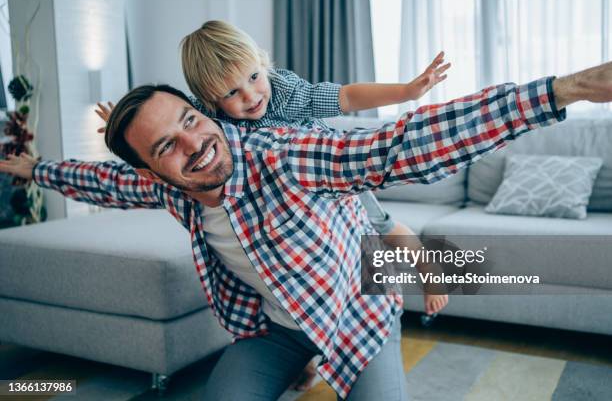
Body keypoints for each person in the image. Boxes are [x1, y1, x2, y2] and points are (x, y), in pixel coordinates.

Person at [1, 60, 611, 400]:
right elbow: (100, 180)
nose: (197, 144)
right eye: (167, 145)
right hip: (276, 333)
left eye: (191, 120)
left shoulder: (286, 154)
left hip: (357, 318)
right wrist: (38, 169)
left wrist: (566, 90)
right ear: (152, 168)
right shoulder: (161, 186)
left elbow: (406, 142)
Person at [179, 19, 449, 322]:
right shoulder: (206, 118)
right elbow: (167, 130)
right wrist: (123, 133)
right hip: (286, 203)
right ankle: (307, 353)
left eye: (254, 77)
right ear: (210, 101)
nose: (250, 96)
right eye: (231, 93)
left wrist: (406, 92)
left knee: (381, 226)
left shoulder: (285, 93)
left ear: (262, 63)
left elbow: (345, 96)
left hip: (331, 180)